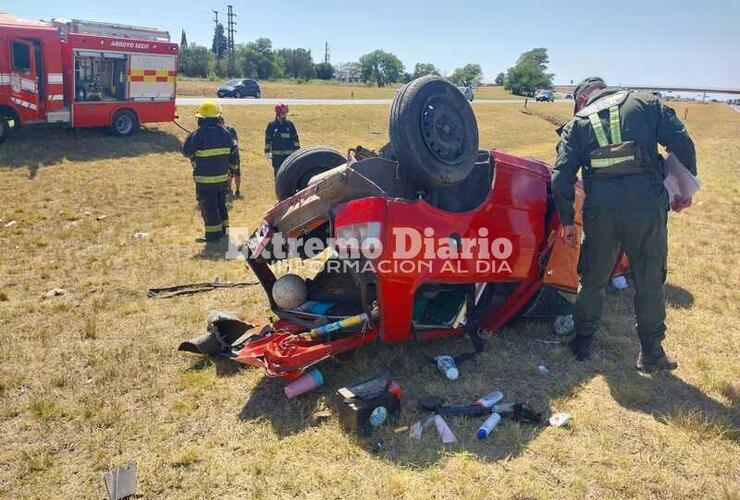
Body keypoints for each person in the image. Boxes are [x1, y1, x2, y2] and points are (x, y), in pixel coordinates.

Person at [552, 76, 697, 372]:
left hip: (600, 210)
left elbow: (561, 175)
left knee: (593, 278)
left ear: (581, 99)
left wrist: (568, 221)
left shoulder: (577, 124)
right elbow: (681, 142)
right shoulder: (645, 102)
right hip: (645, 206)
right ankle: (651, 353)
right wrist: (685, 189)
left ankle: (582, 342)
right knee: (649, 278)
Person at [182, 101, 238, 243]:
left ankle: (212, 235)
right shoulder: (226, 133)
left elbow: (186, 151)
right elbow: (234, 153)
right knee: (221, 204)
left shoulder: (198, 134)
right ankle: (224, 230)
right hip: (221, 180)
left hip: (205, 180)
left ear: (202, 119)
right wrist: (233, 169)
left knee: (209, 207)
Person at [264, 103, 300, 176]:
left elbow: (295, 138)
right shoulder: (272, 125)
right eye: (282, 112)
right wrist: (267, 150)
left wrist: (297, 150)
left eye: (285, 112)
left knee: (289, 173)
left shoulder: (289, 124)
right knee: (278, 173)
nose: (284, 114)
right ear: (278, 113)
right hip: (277, 156)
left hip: (289, 155)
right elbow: (268, 139)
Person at [218, 116, 242, 198]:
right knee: (228, 173)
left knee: (237, 173)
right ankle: (229, 189)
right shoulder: (218, 132)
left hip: (234, 155)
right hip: (225, 156)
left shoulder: (230, 130)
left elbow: (234, 143)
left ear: (222, 122)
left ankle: (238, 190)